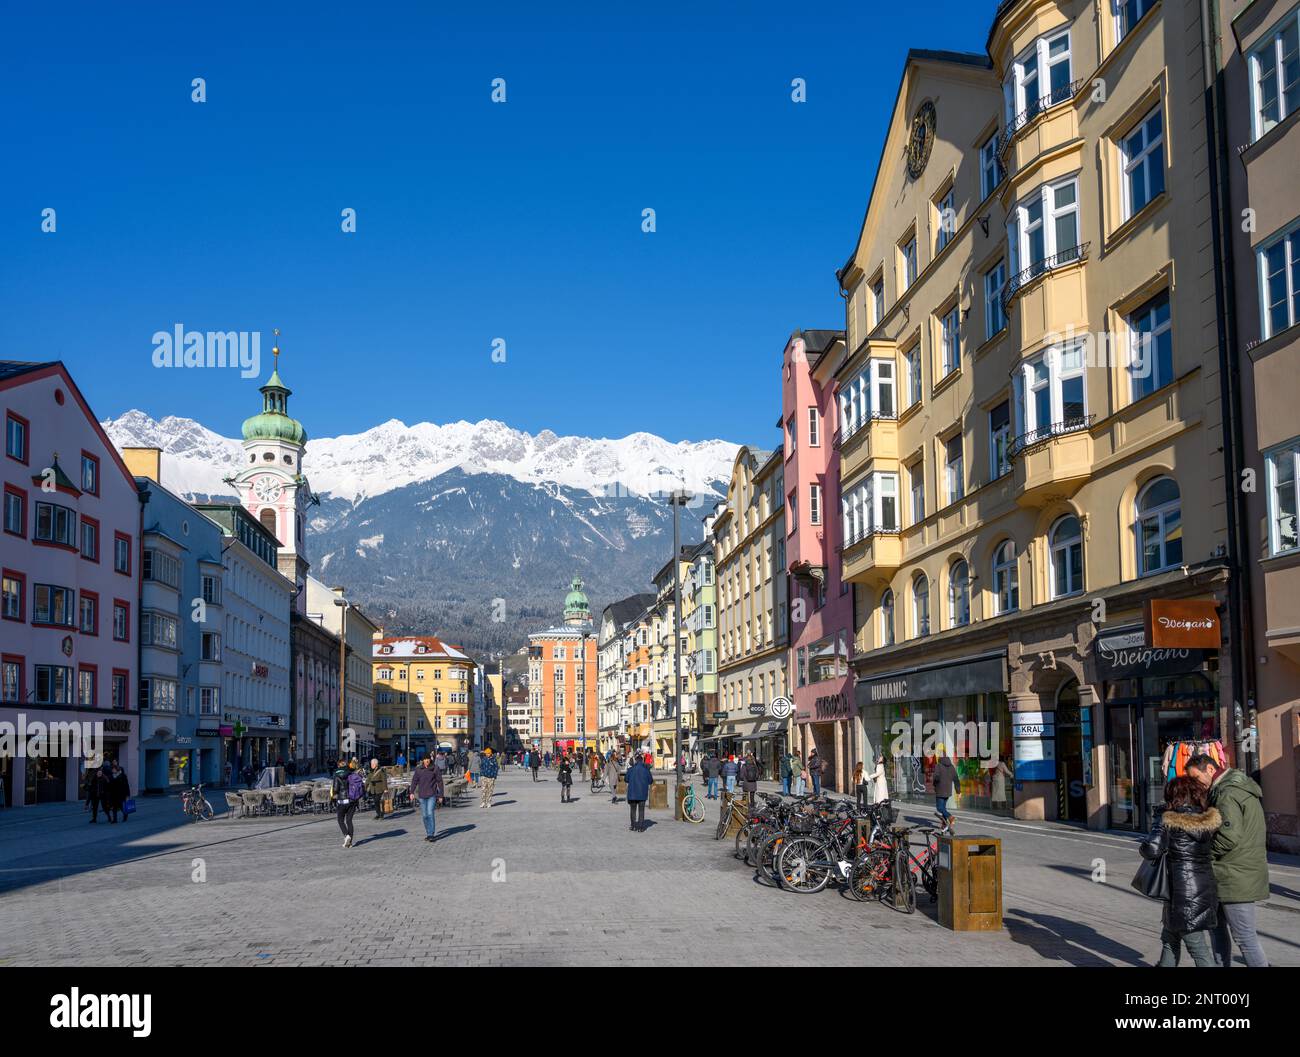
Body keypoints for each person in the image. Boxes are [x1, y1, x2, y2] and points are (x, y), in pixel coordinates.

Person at [1186, 753, 1271, 967]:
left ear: (1211, 770)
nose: (1196, 784)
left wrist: (1203, 854)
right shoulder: (1231, 789)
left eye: (1196, 778)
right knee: (1218, 932)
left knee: (1244, 938)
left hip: (1234, 874)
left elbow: (1228, 837)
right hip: (1230, 872)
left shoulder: (1227, 794)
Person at [1141, 775, 1221, 967]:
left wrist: (1157, 824)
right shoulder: (1207, 820)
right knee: (1169, 938)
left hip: (1182, 893)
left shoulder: (1169, 820)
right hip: (1203, 887)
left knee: (1197, 948)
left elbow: (1151, 850)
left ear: (1173, 795)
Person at [410, 756, 444, 842]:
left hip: (432, 794)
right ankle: (428, 832)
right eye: (425, 759)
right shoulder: (418, 769)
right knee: (424, 816)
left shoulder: (435, 768)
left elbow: (440, 782)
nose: (426, 761)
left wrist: (440, 795)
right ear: (423, 760)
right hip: (422, 795)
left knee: (430, 813)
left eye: (428, 759)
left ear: (430, 760)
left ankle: (431, 834)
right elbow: (414, 781)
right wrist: (411, 792)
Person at [330, 759, 361, 848]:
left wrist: (334, 794)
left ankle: (346, 835)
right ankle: (350, 842)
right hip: (352, 800)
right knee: (349, 821)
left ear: (339, 765)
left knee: (340, 820)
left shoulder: (336, 774)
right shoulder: (351, 772)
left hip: (342, 800)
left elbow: (335, 789)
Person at [625, 753, 653, 832]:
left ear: (636, 760)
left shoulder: (631, 769)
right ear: (642, 761)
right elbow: (650, 781)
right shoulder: (646, 770)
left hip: (632, 793)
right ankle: (640, 827)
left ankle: (633, 825)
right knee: (641, 810)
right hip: (642, 794)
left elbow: (626, 779)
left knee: (633, 810)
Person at [932, 751, 959, 832]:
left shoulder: (938, 766)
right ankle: (944, 825)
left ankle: (950, 817)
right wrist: (958, 791)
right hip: (948, 790)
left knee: (939, 808)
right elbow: (956, 779)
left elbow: (936, 777)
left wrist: (935, 783)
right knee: (943, 807)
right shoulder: (951, 766)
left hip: (940, 789)